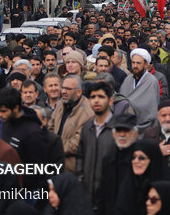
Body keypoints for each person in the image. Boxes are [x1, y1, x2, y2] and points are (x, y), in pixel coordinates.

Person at [76, 81, 115, 209]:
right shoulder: (87, 127)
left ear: (110, 101)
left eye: (101, 97)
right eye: (93, 97)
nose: (96, 101)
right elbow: (80, 156)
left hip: (110, 198)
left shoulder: (118, 129)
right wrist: (80, 178)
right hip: (87, 195)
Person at [113, 139, 170, 215]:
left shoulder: (167, 188)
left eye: (141, 158)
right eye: (133, 157)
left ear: (152, 160)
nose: (136, 161)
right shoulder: (128, 185)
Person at [48, 74, 94, 173]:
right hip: (53, 162)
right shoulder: (60, 103)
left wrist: (55, 149)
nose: (63, 91)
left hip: (72, 168)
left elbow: (77, 143)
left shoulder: (88, 113)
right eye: (63, 87)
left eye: (68, 89)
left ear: (79, 92)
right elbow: (50, 127)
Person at [97, 113, 139, 215]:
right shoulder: (108, 160)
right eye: (119, 130)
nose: (122, 134)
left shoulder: (140, 160)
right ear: (113, 134)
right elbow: (102, 195)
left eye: (126, 131)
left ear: (135, 134)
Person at [120, 48, 161, 132]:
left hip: (146, 128)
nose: (135, 66)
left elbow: (150, 109)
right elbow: (122, 99)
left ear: (146, 65)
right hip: (126, 126)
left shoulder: (151, 81)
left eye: (138, 63)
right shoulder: (128, 79)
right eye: (133, 62)